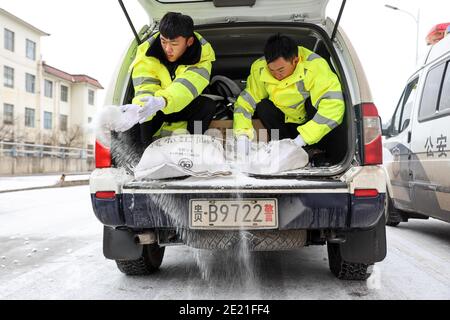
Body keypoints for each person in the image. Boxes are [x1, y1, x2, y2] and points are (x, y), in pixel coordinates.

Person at [233, 34, 345, 157]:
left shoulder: (315, 66)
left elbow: (334, 106)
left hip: (310, 127)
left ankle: (315, 151)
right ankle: (279, 149)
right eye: (271, 70)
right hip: (283, 125)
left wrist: (300, 141)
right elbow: (245, 102)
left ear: (295, 60)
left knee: (314, 103)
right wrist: (242, 135)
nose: (276, 75)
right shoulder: (259, 68)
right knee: (263, 106)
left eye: (281, 70)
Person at [123, 12, 217, 148]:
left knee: (207, 106)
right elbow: (145, 86)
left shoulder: (202, 57)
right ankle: (142, 154)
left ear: (189, 42)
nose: (167, 49)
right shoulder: (147, 53)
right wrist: (139, 107)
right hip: (154, 107)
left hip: (179, 104)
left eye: (174, 43)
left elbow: (186, 86)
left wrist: (163, 101)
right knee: (139, 114)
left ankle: (194, 146)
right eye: (163, 41)